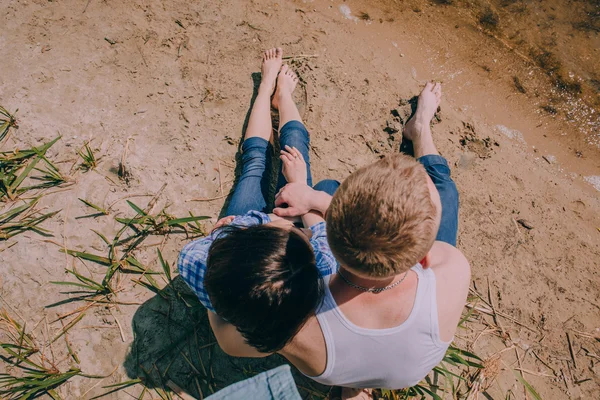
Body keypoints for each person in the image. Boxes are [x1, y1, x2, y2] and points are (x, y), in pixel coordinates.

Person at [274, 82, 471, 398]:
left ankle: (351, 381)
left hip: (332, 363)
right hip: (399, 372)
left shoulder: (303, 308)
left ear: (326, 239)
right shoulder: (452, 271)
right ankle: (420, 130)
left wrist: (310, 194)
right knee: (444, 189)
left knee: (326, 184)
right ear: (424, 259)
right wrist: (318, 202)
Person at [178, 48, 340, 359]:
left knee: (254, 164)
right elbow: (322, 229)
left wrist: (224, 232)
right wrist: (300, 189)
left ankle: (267, 87)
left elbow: (209, 245)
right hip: (246, 247)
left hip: (235, 244)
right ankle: (285, 98)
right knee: (296, 158)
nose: (273, 218)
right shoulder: (319, 268)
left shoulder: (197, 261)